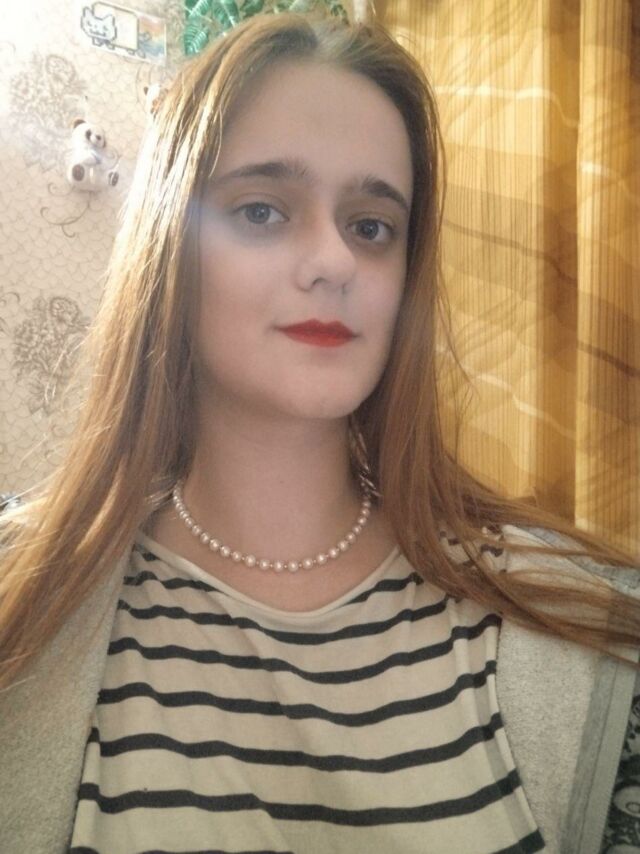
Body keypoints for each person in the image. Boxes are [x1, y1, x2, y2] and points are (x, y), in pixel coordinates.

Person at [1, 11, 639, 854]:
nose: (336, 261)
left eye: (372, 226)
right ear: (168, 246)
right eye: (263, 210)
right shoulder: (24, 596)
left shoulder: (577, 629)